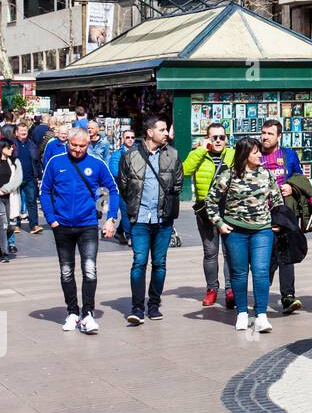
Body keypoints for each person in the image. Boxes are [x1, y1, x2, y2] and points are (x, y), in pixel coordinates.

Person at [40, 128, 119, 334]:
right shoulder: (56, 162)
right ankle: (72, 312)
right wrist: (51, 219)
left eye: (82, 146)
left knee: (90, 270)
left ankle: (88, 314)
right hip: (62, 226)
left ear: (88, 144)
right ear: (68, 143)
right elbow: (45, 191)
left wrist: (110, 218)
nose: (77, 149)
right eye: (73, 145)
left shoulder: (97, 163)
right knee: (66, 271)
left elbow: (113, 189)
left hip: (88, 225)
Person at [206, 136, 282, 333]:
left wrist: (278, 223)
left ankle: (261, 315)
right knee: (239, 273)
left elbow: (278, 200)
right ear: (244, 154)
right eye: (255, 152)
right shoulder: (228, 175)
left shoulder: (266, 174)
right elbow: (211, 201)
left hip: (262, 231)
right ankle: (241, 313)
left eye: (259, 151)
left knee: (261, 271)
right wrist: (220, 223)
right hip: (235, 231)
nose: (259, 155)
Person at [117, 116, 183, 325]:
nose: (166, 133)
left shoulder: (172, 155)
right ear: (149, 132)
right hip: (140, 219)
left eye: (166, 130)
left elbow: (178, 183)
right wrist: (134, 207)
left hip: (163, 219)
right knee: (139, 262)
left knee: (159, 263)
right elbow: (124, 185)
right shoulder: (130, 156)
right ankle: (137, 308)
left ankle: (153, 304)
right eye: (162, 130)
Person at [258, 119, 306, 312]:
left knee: (286, 255)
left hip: (284, 213)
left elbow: (300, 179)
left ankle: (288, 296)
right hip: (261, 214)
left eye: (270, 134)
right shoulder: (255, 154)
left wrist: (292, 187)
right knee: (267, 257)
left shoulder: (289, 155)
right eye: (263, 133)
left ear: (279, 136)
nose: (265, 137)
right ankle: (261, 294)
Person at [183, 122, 231, 307]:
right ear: (207, 139)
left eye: (222, 137)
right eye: (214, 137)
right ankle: (212, 289)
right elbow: (185, 171)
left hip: (229, 209)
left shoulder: (232, 154)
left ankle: (230, 289)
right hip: (206, 211)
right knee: (210, 252)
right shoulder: (199, 155)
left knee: (230, 252)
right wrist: (201, 151)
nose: (218, 141)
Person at [0, 139, 22, 262]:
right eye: (9, 147)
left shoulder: (15, 162)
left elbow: (18, 179)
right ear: (2, 148)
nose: (12, 149)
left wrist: (5, 190)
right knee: (3, 224)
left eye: (12, 147)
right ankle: (4, 252)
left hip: (10, 196)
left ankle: (0, 242)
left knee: (12, 225)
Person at [11, 123, 43, 235]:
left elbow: (37, 161)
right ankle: (16, 225)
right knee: (16, 202)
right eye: (21, 130)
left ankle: (34, 225)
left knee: (31, 201)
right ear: (16, 132)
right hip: (16, 178)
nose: (24, 132)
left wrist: (39, 176)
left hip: (30, 177)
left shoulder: (32, 144)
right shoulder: (12, 144)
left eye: (25, 130)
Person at [108, 127, 136, 245]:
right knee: (125, 212)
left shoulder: (138, 152)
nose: (130, 140)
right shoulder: (117, 154)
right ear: (123, 139)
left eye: (132, 137)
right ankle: (130, 236)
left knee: (133, 212)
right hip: (123, 188)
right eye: (127, 137)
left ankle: (120, 231)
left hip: (136, 188)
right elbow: (114, 171)